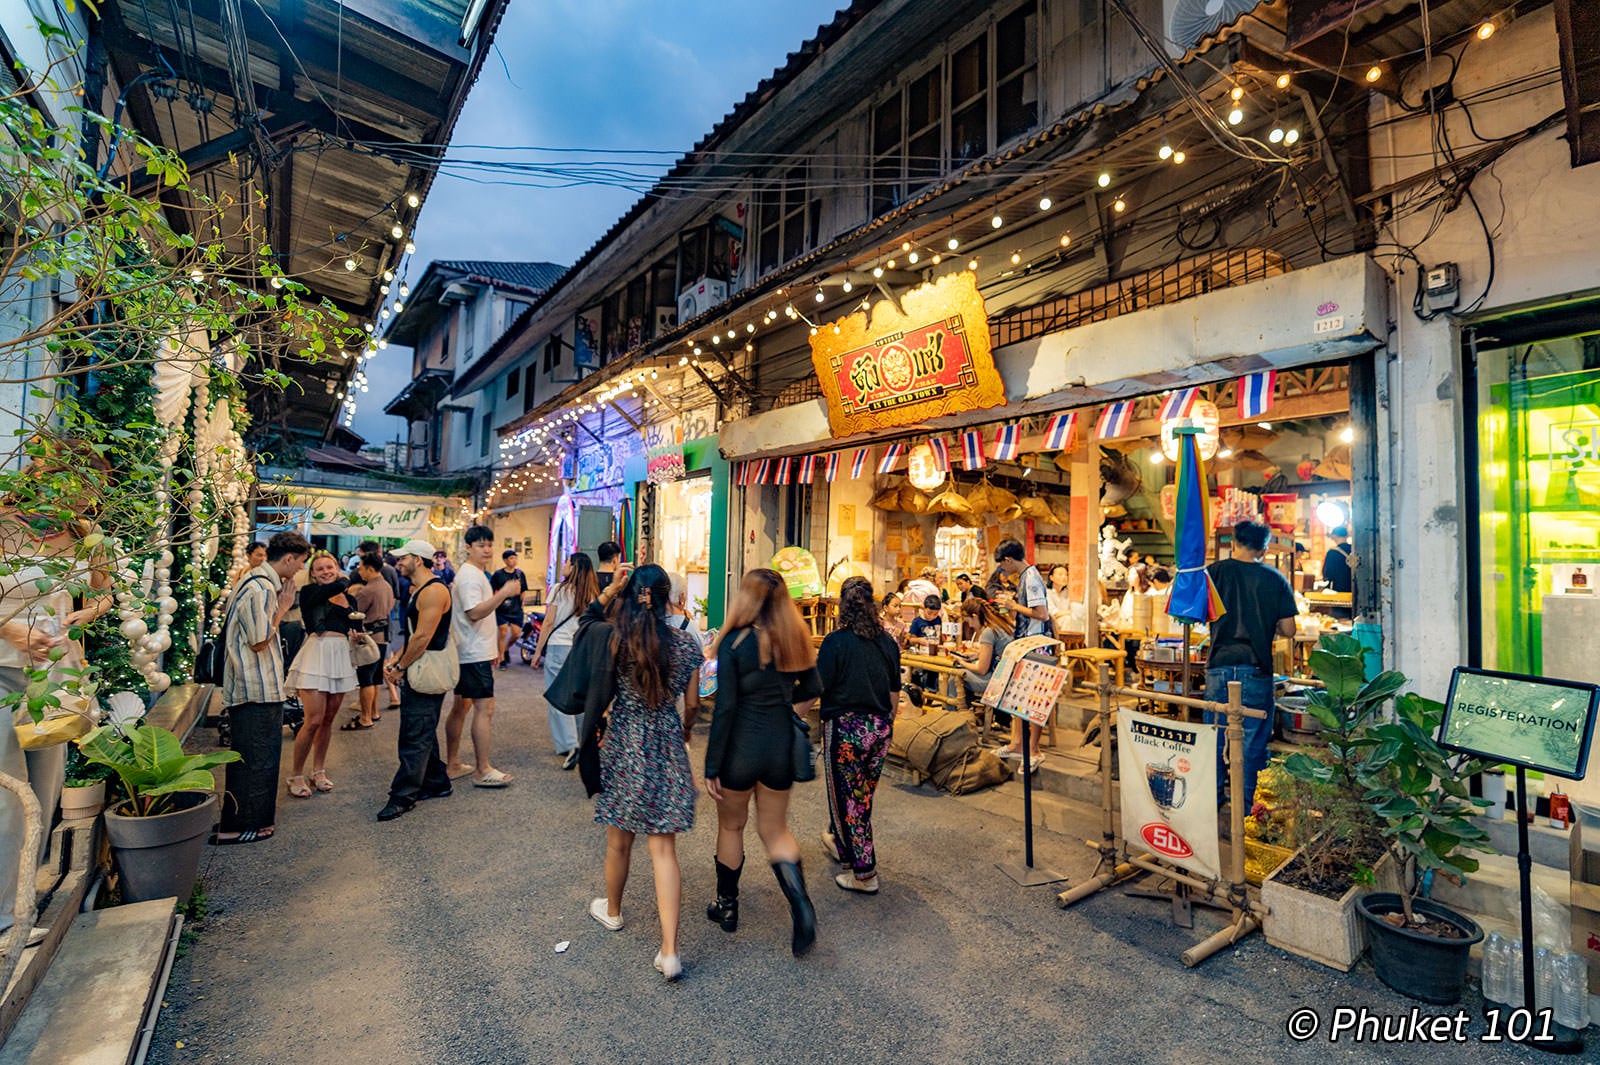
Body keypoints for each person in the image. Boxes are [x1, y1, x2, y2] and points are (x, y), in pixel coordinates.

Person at [586, 564, 703, 982]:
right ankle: (669, 951)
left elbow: (587, 621)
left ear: (631, 594)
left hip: (625, 741)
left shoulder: (618, 639)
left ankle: (613, 911)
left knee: (619, 841)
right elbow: (692, 703)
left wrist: (613, 589)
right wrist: (685, 729)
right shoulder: (687, 643)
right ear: (668, 597)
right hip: (666, 740)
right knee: (664, 850)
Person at [703, 569, 821, 955]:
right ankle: (801, 905)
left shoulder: (734, 644)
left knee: (732, 826)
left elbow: (725, 710)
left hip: (739, 749)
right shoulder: (796, 639)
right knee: (775, 830)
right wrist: (792, 712)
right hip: (779, 748)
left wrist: (711, 765)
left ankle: (727, 907)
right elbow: (814, 688)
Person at [216, 530, 310, 844]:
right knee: (256, 759)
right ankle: (243, 826)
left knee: (254, 757)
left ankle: (250, 822)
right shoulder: (263, 588)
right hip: (255, 684)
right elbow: (259, 640)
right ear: (288, 558)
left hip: (251, 683)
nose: (299, 569)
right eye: (300, 563)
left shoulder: (255, 580)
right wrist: (283, 607)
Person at [1204, 520, 1299, 809]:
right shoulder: (1275, 578)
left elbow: (1197, 615)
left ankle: (1212, 804)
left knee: (1215, 740)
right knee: (1252, 743)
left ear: (1234, 542)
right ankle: (1245, 813)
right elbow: (1289, 630)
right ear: (1265, 547)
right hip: (1256, 668)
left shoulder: (1213, 573)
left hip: (1219, 666)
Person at [817, 576, 900, 894]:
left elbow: (819, 686)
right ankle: (845, 849)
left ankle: (864, 874)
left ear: (843, 605)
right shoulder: (888, 643)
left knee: (851, 802)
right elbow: (894, 693)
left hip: (846, 730)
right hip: (879, 729)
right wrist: (884, 727)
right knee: (859, 799)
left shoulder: (835, 642)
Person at [377, 541, 455, 822]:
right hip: (418, 667)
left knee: (414, 734)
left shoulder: (434, 590)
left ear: (419, 560)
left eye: (403, 557)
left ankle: (403, 796)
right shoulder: (419, 590)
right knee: (422, 728)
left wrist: (399, 666)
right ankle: (436, 782)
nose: (397, 561)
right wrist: (396, 660)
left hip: (426, 669)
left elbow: (423, 637)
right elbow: (413, 635)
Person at [443, 525, 519, 788]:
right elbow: (474, 612)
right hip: (472, 652)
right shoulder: (470, 577)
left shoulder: (474, 573)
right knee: (484, 709)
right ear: (468, 547)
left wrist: (495, 649)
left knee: (462, 706)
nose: (487, 549)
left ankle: (453, 763)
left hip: (474, 650)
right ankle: (482, 769)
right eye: (480, 545)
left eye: (489, 544)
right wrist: (504, 594)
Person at [283, 551, 358, 797]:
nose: (326, 571)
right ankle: (295, 774)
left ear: (337, 567)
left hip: (340, 657)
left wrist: (358, 632)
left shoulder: (348, 598)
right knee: (313, 719)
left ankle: (318, 771)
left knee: (327, 719)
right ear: (313, 574)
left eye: (330, 567)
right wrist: (344, 579)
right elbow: (334, 587)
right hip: (316, 655)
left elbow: (355, 625)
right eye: (320, 569)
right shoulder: (310, 593)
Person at [532, 551, 599, 769]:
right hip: (581, 649)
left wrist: (537, 650)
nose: (563, 565)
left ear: (574, 567)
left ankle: (571, 744)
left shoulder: (559, 590)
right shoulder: (592, 594)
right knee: (578, 696)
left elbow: (549, 623)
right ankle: (578, 741)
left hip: (559, 646)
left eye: (567, 563)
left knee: (557, 696)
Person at [343, 552, 394, 729]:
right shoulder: (386, 586)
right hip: (384, 636)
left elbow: (356, 614)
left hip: (370, 637)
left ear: (370, 569)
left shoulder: (368, 590)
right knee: (376, 677)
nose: (360, 571)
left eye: (362, 568)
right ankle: (374, 712)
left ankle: (365, 717)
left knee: (366, 679)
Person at [492, 550, 529, 668]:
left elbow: (523, 590)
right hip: (501, 609)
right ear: (505, 560)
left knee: (516, 634)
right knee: (502, 631)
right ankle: (501, 658)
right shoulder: (498, 574)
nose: (514, 560)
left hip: (516, 609)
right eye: (511, 558)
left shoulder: (519, 574)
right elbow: (492, 590)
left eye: (515, 558)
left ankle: (506, 649)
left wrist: (522, 605)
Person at [1323, 526, 1354, 594]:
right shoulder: (1354, 550)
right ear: (1347, 535)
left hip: (1337, 588)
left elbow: (1327, 573)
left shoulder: (1332, 552)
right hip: (1353, 587)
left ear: (1334, 536)